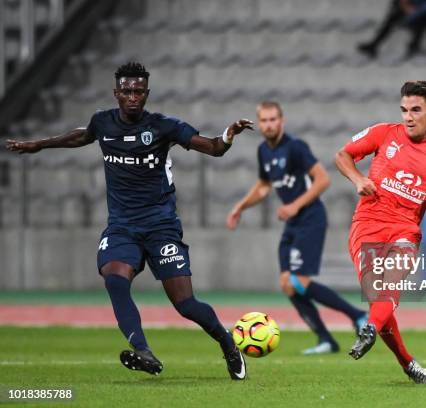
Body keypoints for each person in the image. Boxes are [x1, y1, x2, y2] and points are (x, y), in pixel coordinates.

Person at [5, 62, 253, 380]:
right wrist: (40, 144)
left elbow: (215, 149)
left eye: (138, 91)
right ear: (116, 93)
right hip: (122, 226)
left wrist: (228, 135)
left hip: (161, 226)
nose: (132, 96)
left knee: (186, 304)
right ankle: (143, 351)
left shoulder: (165, 126)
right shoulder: (103, 122)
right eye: (126, 91)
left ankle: (227, 343)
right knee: (114, 278)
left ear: (146, 94)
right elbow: (82, 136)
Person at [335, 81, 426, 384]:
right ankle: (408, 364)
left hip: (406, 229)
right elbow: (342, 155)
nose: (408, 117)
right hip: (367, 225)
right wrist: (358, 179)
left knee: (391, 283)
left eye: (416, 110)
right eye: (404, 110)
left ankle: (368, 329)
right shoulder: (384, 133)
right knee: (379, 302)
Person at [226, 101, 367, 355]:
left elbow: (323, 180)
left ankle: (358, 316)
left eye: (273, 119)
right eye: (264, 120)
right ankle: (326, 339)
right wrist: (240, 206)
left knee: (299, 281)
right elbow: (263, 187)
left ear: (281, 121)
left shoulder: (296, 147)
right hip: (293, 223)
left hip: (311, 218)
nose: (269, 124)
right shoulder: (263, 152)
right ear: (259, 124)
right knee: (287, 284)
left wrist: (293, 206)